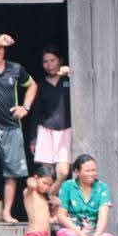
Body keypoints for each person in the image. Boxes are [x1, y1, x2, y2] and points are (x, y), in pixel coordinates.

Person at [0, 33, 37, 223]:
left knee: (12, 173)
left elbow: (32, 85)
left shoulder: (15, 68)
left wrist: (25, 108)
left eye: (1, 48)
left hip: (12, 128)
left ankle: (7, 213)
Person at [54, 155, 116, 236]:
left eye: (94, 170)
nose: (92, 173)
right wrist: (79, 233)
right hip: (72, 230)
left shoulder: (102, 187)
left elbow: (103, 215)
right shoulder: (68, 186)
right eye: (87, 170)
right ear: (77, 172)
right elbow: (61, 215)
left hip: (93, 232)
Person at [31, 44, 71, 196]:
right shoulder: (41, 85)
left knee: (63, 172)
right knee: (46, 175)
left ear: (60, 60)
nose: (48, 65)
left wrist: (71, 71)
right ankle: (49, 210)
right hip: (46, 130)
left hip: (66, 130)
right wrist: (33, 138)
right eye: (45, 62)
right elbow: (36, 113)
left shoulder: (69, 80)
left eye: (52, 60)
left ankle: (51, 196)